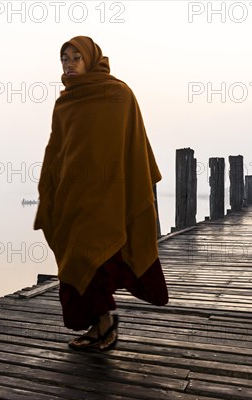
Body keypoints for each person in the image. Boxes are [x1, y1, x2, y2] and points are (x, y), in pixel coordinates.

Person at [34, 36, 168, 352]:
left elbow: (133, 145)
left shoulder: (117, 94)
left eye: (75, 57)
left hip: (108, 197)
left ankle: (106, 327)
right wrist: (50, 189)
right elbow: (57, 150)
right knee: (75, 259)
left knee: (94, 258)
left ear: (91, 58)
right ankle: (97, 327)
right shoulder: (64, 102)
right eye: (64, 58)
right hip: (72, 197)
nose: (68, 63)